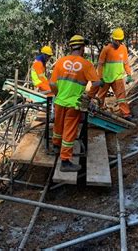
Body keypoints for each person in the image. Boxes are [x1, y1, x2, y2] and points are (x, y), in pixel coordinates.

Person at [49, 35, 102, 172]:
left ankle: (56, 146)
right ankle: (65, 161)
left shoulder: (60, 62)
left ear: (71, 47)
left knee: (58, 125)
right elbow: (96, 83)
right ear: (82, 47)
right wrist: (88, 97)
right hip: (74, 104)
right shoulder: (86, 64)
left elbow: (52, 83)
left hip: (60, 101)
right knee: (69, 131)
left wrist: (58, 94)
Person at [89, 28, 133, 120]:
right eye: (116, 40)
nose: (117, 42)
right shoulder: (106, 50)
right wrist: (100, 77)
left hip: (118, 77)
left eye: (119, 40)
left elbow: (125, 63)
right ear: (112, 39)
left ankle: (126, 113)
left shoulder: (123, 49)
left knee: (121, 97)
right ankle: (98, 111)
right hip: (105, 78)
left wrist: (129, 74)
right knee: (101, 96)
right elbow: (100, 65)